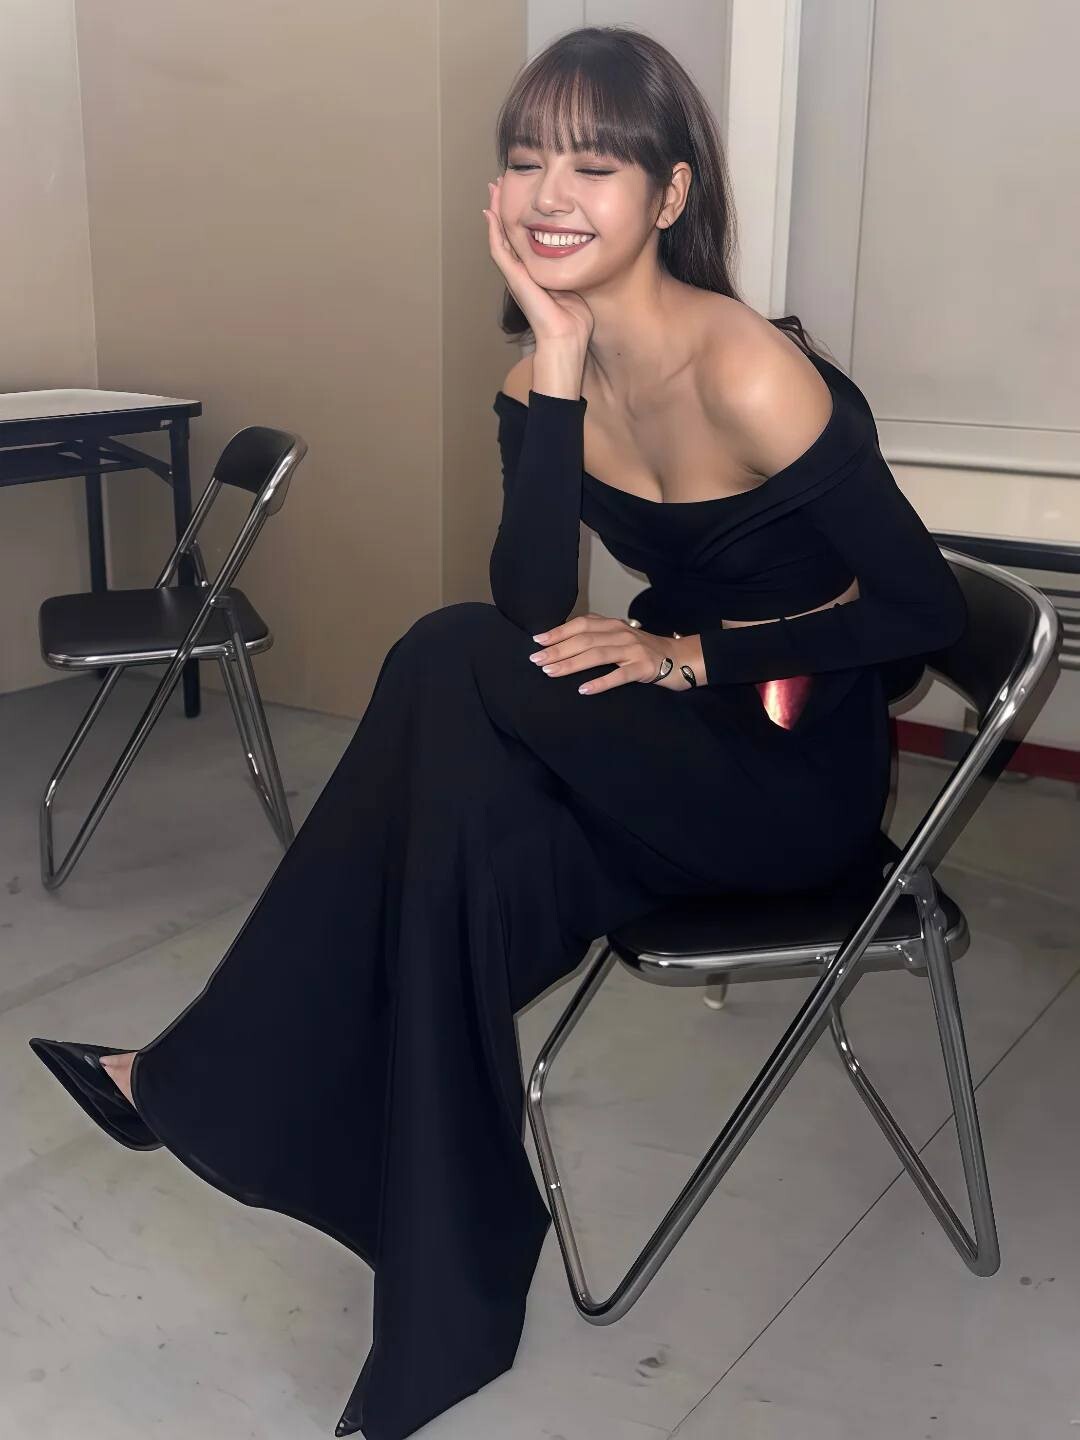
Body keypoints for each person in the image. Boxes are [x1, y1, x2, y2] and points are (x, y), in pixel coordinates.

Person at [27, 24, 966, 1440]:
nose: (551, 193)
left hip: (785, 781)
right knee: (456, 858)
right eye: (527, 160)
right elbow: (535, 601)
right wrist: (562, 356)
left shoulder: (751, 371)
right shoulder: (547, 372)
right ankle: (444, 1312)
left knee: (447, 652)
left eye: (595, 164)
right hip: (658, 751)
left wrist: (689, 651)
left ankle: (199, 1075)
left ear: (670, 192)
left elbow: (917, 611)